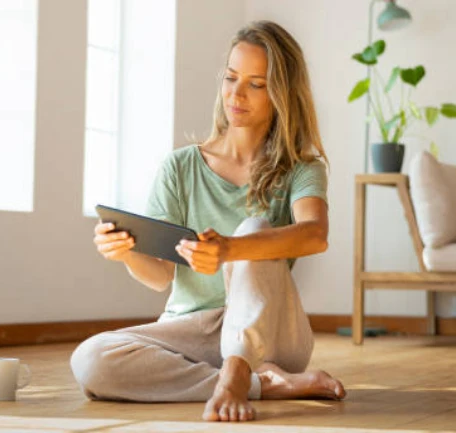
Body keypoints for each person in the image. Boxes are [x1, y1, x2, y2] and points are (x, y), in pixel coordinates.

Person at [70, 20, 346, 423]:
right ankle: (264, 384)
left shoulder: (301, 168)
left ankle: (239, 372)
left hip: (271, 332)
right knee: (91, 360)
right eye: (232, 78)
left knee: (253, 229)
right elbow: (160, 276)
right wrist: (127, 253)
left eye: (256, 83)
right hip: (193, 329)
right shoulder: (180, 166)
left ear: (282, 94)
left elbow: (315, 235)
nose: (237, 93)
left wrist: (230, 250)